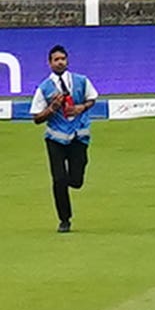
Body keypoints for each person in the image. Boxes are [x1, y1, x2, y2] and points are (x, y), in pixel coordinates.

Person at [35, 47, 105, 233]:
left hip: (78, 136)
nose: (60, 62)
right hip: (55, 138)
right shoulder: (44, 88)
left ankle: (70, 182)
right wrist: (52, 108)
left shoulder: (81, 81)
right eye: (56, 59)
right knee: (58, 180)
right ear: (49, 63)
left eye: (63, 59)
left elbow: (92, 99)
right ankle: (64, 220)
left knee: (76, 180)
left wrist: (81, 108)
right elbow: (36, 118)